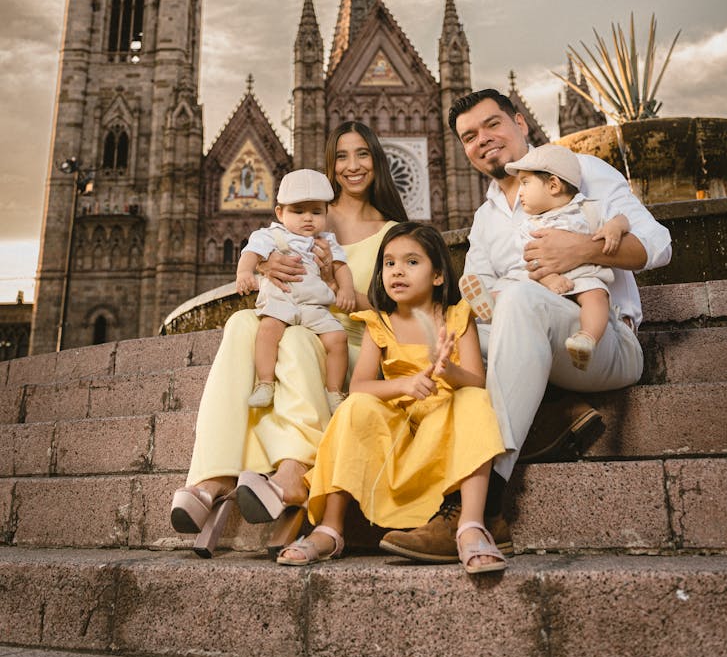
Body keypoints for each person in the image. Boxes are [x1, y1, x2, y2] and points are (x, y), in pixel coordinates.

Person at [383, 88, 672, 563]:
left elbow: (658, 245)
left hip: (603, 340)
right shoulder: (485, 218)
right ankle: (551, 415)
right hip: (527, 341)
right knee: (433, 346)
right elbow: (476, 292)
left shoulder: (580, 172)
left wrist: (583, 251)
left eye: (492, 124)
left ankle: (480, 508)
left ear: (520, 121)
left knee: (516, 298)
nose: (483, 140)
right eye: (469, 136)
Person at [169, 121, 408, 556]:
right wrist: (265, 268)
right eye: (341, 156)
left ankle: (295, 470)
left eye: (362, 154)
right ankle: (212, 476)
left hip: (349, 343)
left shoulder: (393, 231)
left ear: (378, 160)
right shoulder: (307, 216)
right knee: (243, 324)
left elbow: (399, 314)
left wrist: (343, 296)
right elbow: (262, 258)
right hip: (296, 325)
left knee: (296, 342)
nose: (352, 166)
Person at [272, 222, 506, 574]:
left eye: (412, 262)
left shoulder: (458, 317)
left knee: (473, 400)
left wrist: (447, 372)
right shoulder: (379, 322)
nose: (397, 270)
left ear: (439, 275)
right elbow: (361, 385)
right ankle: (329, 528)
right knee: (356, 407)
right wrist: (405, 384)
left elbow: (476, 380)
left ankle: (471, 526)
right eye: (389, 263)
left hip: (442, 423)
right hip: (399, 430)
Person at [460, 142, 630, 371]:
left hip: (584, 275)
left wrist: (614, 228)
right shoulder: (529, 225)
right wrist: (550, 280)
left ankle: (587, 338)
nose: (519, 191)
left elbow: (620, 218)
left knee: (597, 296)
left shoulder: (589, 208)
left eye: (525, 183)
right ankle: (490, 303)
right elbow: (530, 263)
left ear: (553, 185)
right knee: (517, 289)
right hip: (543, 282)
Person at [236, 169, 355, 412]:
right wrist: (245, 272)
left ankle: (334, 391)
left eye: (316, 211)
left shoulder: (327, 241)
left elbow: (341, 267)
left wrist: (347, 290)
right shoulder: (270, 235)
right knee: (268, 329)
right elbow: (251, 253)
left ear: (326, 213)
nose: (308, 218)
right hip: (282, 301)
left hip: (314, 307)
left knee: (338, 339)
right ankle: (265, 382)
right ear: (280, 213)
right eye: (298, 211)